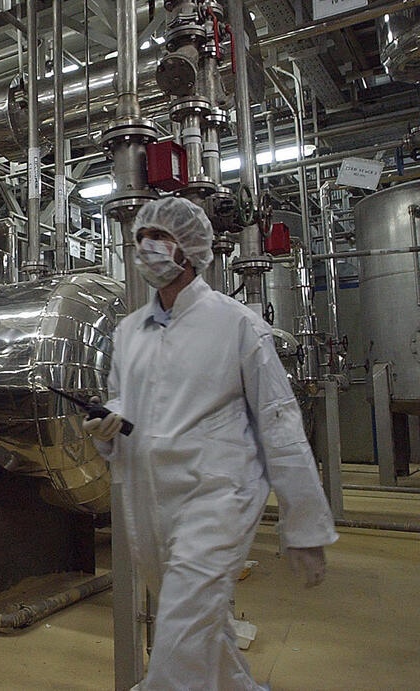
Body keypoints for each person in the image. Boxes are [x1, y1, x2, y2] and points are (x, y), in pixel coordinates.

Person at [84, 196, 337, 690]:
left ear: (193, 249)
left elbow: (280, 425)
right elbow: (128, 405)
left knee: (181, 631)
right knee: (200, 627)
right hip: (150, 502)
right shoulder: (129, 332)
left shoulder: (236, 324)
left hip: (217, 496)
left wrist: (304, 525)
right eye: (141, 239)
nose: (148, 248)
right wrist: (110, 426)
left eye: (161, 237)